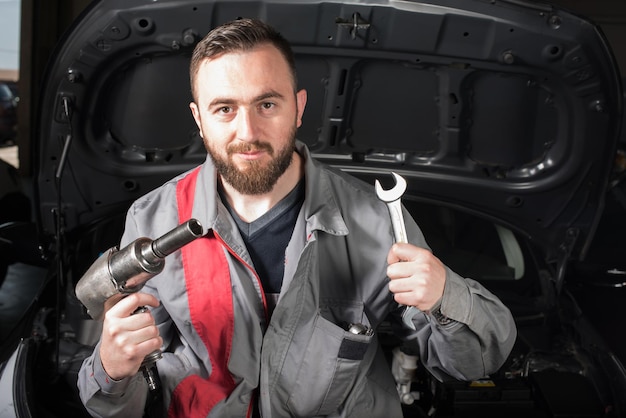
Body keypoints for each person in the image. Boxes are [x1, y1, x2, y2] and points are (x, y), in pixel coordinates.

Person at [77, 17, 516, 418]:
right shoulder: (153, 218)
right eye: (224, 108)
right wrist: (112, 371)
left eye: (266, 105)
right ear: (199, 118)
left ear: (299, 106)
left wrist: (445, 296)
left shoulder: (376, 220)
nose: (247, 132)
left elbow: (469, 366)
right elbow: (115, 409)